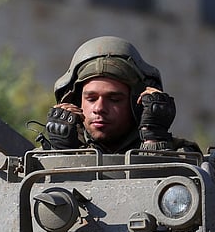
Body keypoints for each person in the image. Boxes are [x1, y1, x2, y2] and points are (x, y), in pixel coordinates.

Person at [43, 35, 199, 154]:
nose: (99, 108)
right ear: (77, 103)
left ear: (136, 104)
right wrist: (62, 152)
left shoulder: (181, 155)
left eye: (114, 99)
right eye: (91, 99)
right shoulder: (45, 156)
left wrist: (154, 140)